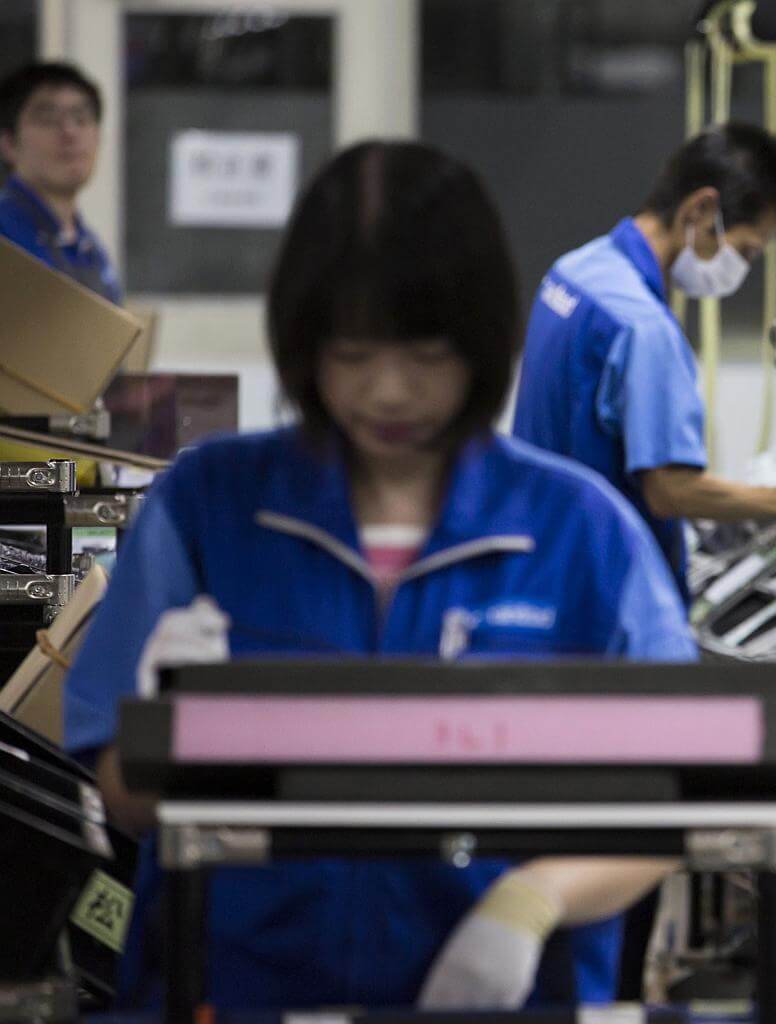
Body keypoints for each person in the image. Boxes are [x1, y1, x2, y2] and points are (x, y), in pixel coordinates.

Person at [63, 141, 695, 1010]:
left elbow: (673, 794)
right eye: (354, 354)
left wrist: (531, 900)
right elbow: (120, 792)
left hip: (494, 1003)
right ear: (304, 344)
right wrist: (171, 744)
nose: (389, 392)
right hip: (237, 993)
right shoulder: (209, 509)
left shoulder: (581, 532)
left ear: (481, 345)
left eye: (426, 355)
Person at [513, 122, 776, 601]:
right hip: (599, 594)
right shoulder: (643, 328)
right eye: (745, 251)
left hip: (539, 562)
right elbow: (671, 490)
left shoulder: (573, 273)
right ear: (700, 210)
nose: (742, 269)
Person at [0, 62, 122, 303]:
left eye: (82, 119)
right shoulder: (5, 237)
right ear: (9, 143)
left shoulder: (90, 249)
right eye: (48, 120)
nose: (70, 132)